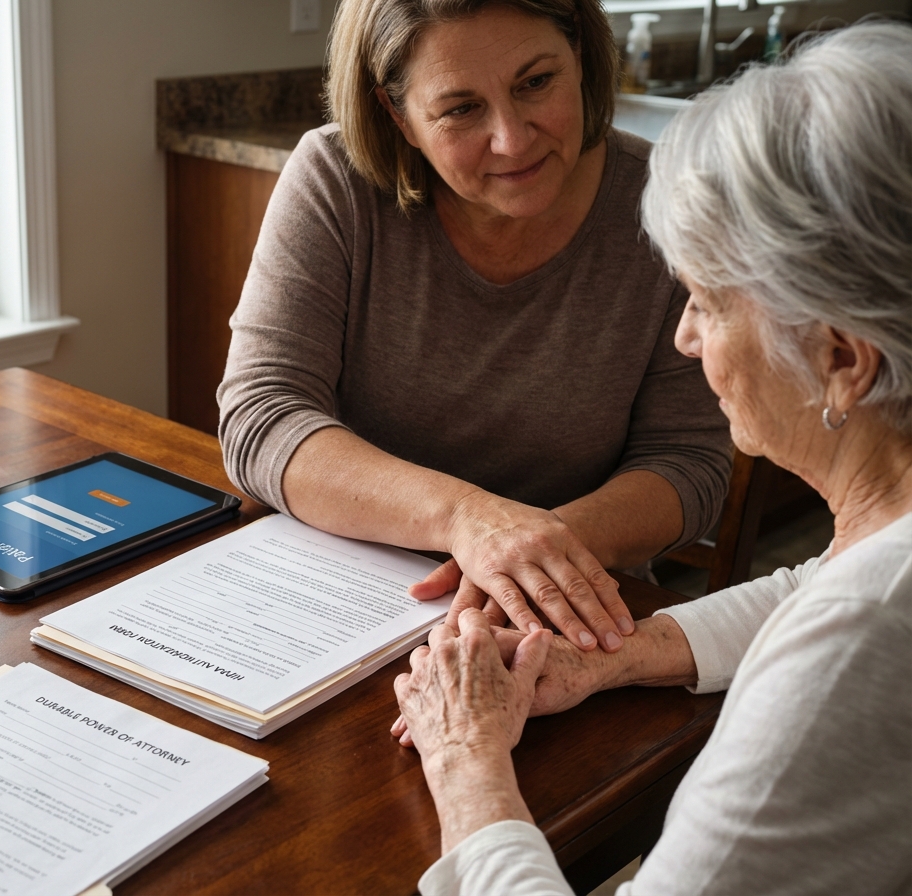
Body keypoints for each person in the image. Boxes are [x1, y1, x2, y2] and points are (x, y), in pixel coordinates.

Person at [392, 20, 912, 895]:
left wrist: (467, 760)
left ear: (841, 359)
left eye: (709, 303)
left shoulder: (865, 636)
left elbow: (853, 618)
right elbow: (827, 583)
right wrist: (620, 654)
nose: (683, 337)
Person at [217, 0, 732, 655]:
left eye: (536, 82)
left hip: (571, 617)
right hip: (343, 598)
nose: (513, 139)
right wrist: (468, 519)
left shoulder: (667, 204)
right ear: (397, 115)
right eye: (460, 108)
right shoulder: (333, 179)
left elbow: (691, 464)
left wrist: (529, 551)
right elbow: (262, 416)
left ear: (579, 55)